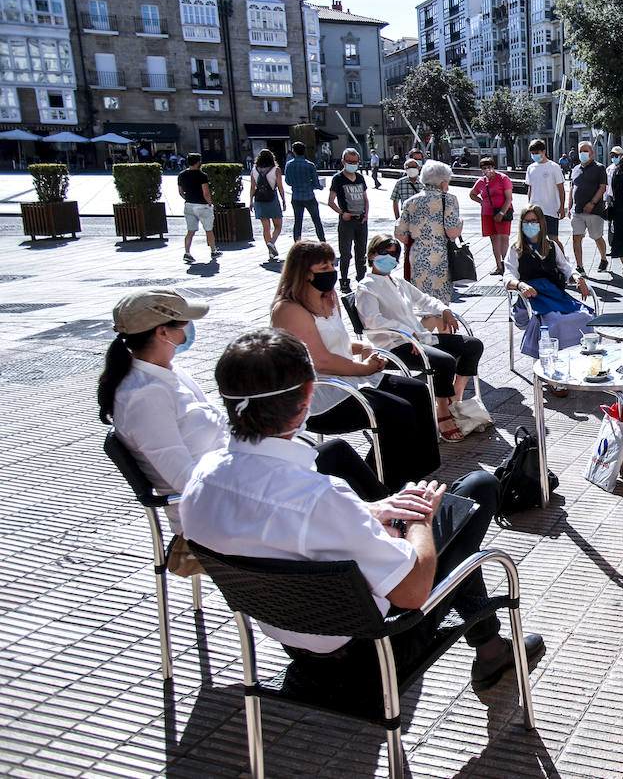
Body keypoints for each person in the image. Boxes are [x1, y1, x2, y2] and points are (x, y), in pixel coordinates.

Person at [180, 328, 543, 693]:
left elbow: (278, 529)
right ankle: (491, 648)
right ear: (308, 395)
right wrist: (419, 519)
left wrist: (371, 510)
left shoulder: (200, 483)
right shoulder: (318, 496)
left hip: (295, 641)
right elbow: (414, 593)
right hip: (378, 648)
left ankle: (491, 648)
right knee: (477, 491)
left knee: (459, 506)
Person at [97, 287, 387, 564]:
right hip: (222, 506)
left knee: (334, 454)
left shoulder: (166, 372)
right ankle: (377, 530)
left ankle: (379, 518)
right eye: (184, 324)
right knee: (326, 481)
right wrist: (259, 479)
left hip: (238, 475)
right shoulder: (144, 397)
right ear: (163, 332)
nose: (189, 331)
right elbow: (185, 480)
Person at [271, 241, 440, 489]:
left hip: (347, 377)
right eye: (323, 266)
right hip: (320, 391)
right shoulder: (289, 309)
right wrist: (365, 368)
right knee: (396, 412)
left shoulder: (327, 299)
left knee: (417, 391)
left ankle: (419, 469)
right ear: (304, 271)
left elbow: (333, 342)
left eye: (332, 264)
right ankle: (374, 484)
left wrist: (362, 348)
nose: (331, 270)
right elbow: (321, 360)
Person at [356, 235, 485, 443]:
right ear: (372, 254)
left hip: (419, 339)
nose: (389, 258)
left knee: (473, 345)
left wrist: (444, 309)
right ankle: (443, 412)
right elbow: (372, 321)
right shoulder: (367, 287)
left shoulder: (397, 282)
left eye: (394, 254)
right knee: (444, 362)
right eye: (384, 253)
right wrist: (406, 332)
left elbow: (423, 299)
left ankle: (455, 398)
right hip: (395, 344)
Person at [504, 205, 593, 393]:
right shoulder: (516, 248)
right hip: (530, 297)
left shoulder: (551, 246)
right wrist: (520, 285)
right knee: (554, 322)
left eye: (534, 221)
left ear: (541, 224)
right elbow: (508, 275)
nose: (530, 225)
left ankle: (581, 366)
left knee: (585, 317)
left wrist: (578, 278)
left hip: (553, 294)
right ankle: (552, 373)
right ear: (521, 224)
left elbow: (566, 268)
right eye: (527, 221)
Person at [396, 160, 464, 304]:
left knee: (421, 302)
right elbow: (452, 232)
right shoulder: (449, 200)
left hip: (418, 257)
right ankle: (439, 324)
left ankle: (424, 325)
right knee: (440, 303)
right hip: (441, 257)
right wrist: (461, 222)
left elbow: (399, 234)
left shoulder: (410, 202)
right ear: (443, 182)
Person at [328, 148, 370, 294]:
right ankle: (344, 280)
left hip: (361, 220)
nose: (352, 164)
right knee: (345, 253)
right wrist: (342, 213)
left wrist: (366, 215)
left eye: (355, 162)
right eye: (349, 162)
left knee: (361, 252)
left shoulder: (360, 178)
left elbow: (365, 198)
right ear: (343, 162)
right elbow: (331, 201)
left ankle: (361, 278)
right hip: (347, 221)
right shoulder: (338, 179)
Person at [568, 141, 609, 274]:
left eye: (585, 151)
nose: (582, 154)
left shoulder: (599, 168)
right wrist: (569, 207)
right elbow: (572, 188)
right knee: (576, 238)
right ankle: (580, 267)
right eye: (580, 151)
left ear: (592, 153)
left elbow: (602, 188)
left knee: (596, 236)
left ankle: (603, 258)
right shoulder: (575, 169)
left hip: (595, 211)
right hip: (577, 211)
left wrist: (592, 203)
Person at [469, 156, 513, 276]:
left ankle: (507, 266)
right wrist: (481, 202)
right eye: (484, 168)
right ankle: (498, 266)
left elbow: (509, 198)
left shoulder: (503, 178)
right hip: (487, 214)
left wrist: (501, 213)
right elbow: (472, 194)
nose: (487, 170)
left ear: (493, 167)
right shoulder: (482, 181)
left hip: (503, 212)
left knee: (504, 238)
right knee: (494, 240)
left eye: (489, 167)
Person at [525, 139, 566, 250]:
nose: (535, 156)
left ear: (544, 151)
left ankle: (562, 263)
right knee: (535, 238)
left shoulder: (554, 167)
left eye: (537, 153)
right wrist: (529, 206)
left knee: (553, 240)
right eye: (533, 154)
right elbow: (530, 188)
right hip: (535, 210)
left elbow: (561, 189)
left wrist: (562, 207)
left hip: (551, 210)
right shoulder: (530, 168)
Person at [177, 153, 217, 263]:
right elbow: (206, 192)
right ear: (198, 162)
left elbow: (180, 192)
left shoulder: (181, 175)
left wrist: (187, 198)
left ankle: (187, 252)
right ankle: (213, 251)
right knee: (209, 229)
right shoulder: (202, 175)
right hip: (202, 205)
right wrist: (210, 203)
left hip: (189, 205)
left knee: (190, 231)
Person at [285, 141, 326, 243]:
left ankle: (297, 242)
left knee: (298, 221)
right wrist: (319, 187)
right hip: (309, 196)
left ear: (294, 152)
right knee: (316, 220)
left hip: (296, 197)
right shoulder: (310, 165)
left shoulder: (289, 165)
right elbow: (316, 183)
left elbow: (288, 181)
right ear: (304, 151)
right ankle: (322, 241)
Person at [250, 149, 287, 260]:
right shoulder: (276, 170)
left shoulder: (254, 170)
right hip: (272, 198)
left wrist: (250, 201)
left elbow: (252, 187)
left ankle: (270, 250)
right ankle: (272, 243)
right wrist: (283, 200)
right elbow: (280, 186)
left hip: (259, 199)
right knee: (278, 225)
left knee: (265, 227)